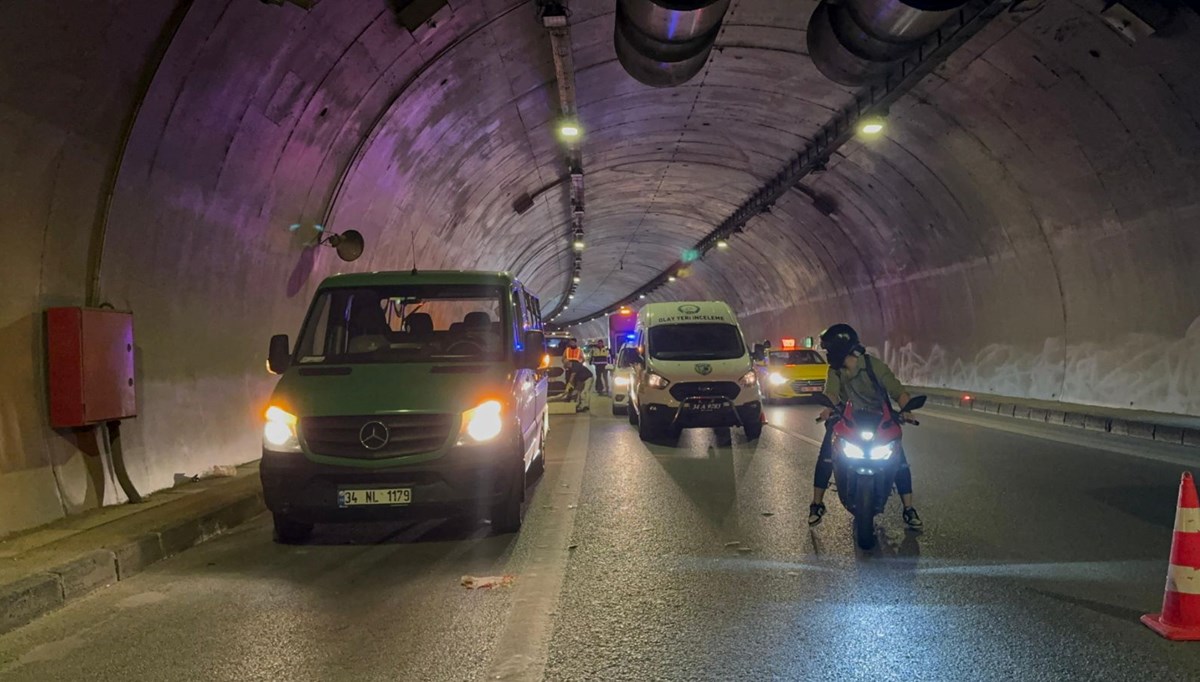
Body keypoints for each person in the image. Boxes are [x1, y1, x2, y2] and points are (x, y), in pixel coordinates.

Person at [808, 323, 922, 530]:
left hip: (880, 420)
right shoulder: (835, 371)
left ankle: (909, 508)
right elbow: (832, 392)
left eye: (829, 350)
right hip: (846, 419)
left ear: (839, 349)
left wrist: (907, 409)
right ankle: (817, 504)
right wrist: (828, 407)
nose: (827, 355)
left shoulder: (873, 366)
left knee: (900, 460)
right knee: (826, 455)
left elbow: (897, 390)